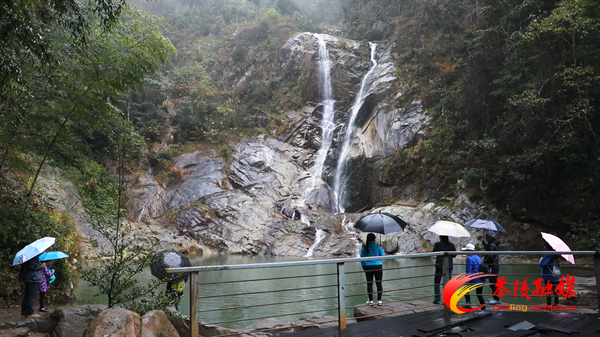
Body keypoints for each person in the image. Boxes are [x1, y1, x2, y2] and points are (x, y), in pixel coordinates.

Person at [360, 233, 385, 306]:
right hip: (378, 266)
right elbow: (383, 256)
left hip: (368, 267)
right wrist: (381, 248)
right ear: (374, 239)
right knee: (379, 283)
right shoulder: (378, 246)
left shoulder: (364, 247)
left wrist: (364, 267)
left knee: (369, 283)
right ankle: (379, 300)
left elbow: (362, 259)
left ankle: (370, 300)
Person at [432, 235, 456, 304]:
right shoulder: (451, 245)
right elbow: (454, 255)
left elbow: (433, 253)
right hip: (449, 266)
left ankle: (437, 299)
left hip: (439, 265)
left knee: (437, 282)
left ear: (440, 237)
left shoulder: (437, 244)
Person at [462, 243, 485, 310]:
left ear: (468, 250)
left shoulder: (469, 259)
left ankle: (468, 304)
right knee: (479, 294)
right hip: (481, 278)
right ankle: (483, 307)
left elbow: (468, 271)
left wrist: (466, 282)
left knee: (464, 290)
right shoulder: (478, 257)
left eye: (466, 250)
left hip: (474, 279)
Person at [482, 230, 501, 304]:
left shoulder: (491, 245)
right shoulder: (493, 244)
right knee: (493, 282)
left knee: (493, 282)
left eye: (486, 236)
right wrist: (485, 246)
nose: (486, 237)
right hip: (495, 265)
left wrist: (484, 262)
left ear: (489, 237)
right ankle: (495, 297)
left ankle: (497, 299)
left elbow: (490, 256)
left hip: (492, 266)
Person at [539, 240, 560, 306]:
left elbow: (542, 264)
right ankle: (556, 303)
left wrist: (541, 259)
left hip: (548, 274)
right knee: (555, 289)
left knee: (548, 290)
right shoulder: (555, 253)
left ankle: (548, 304)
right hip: (554, 274)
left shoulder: (548, 254)